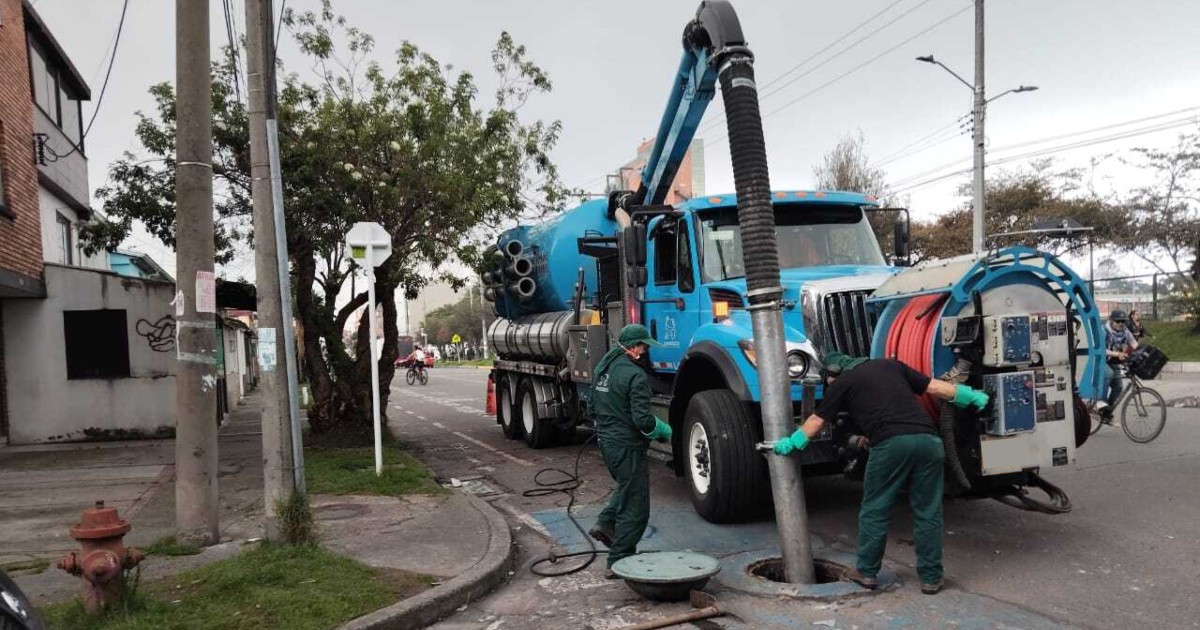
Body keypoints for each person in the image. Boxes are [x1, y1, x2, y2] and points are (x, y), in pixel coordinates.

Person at [773, 352, 990, 595]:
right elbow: (937, 387)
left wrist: (792, 442)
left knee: (876, 509)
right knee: (928, 512)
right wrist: (970, 395)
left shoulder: (842, 383)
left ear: (834, 374)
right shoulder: (892, 366)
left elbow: (816, 421)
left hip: (892, 445)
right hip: (930, 441)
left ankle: (866, 572)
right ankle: (931, 578)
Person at [586, 324, 672, 578]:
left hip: (607, 444)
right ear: (633, 347)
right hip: (627, 446)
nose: (645, 351)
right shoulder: (635, 376)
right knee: (636, 506)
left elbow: (592, 407)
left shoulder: (604, 369)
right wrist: (664, 430)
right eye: (643, 346)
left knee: (626, 486)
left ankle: (605, 522)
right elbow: (643, 421)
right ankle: (618, 558)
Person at [1099, 310, 1139, 420]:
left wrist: (1143, 353)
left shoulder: (1125, 331)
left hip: (1113, 362)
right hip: (1101, 361)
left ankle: (1106, 412)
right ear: (1111, 321)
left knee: (1118, 387)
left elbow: (1135, 344)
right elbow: (1101, 350)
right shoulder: (1104, 330)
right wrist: (1117, 354)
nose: (1121, 323)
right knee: (1109, 373)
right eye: (1118, 321)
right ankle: (1100, 402)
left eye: (1123, 321)